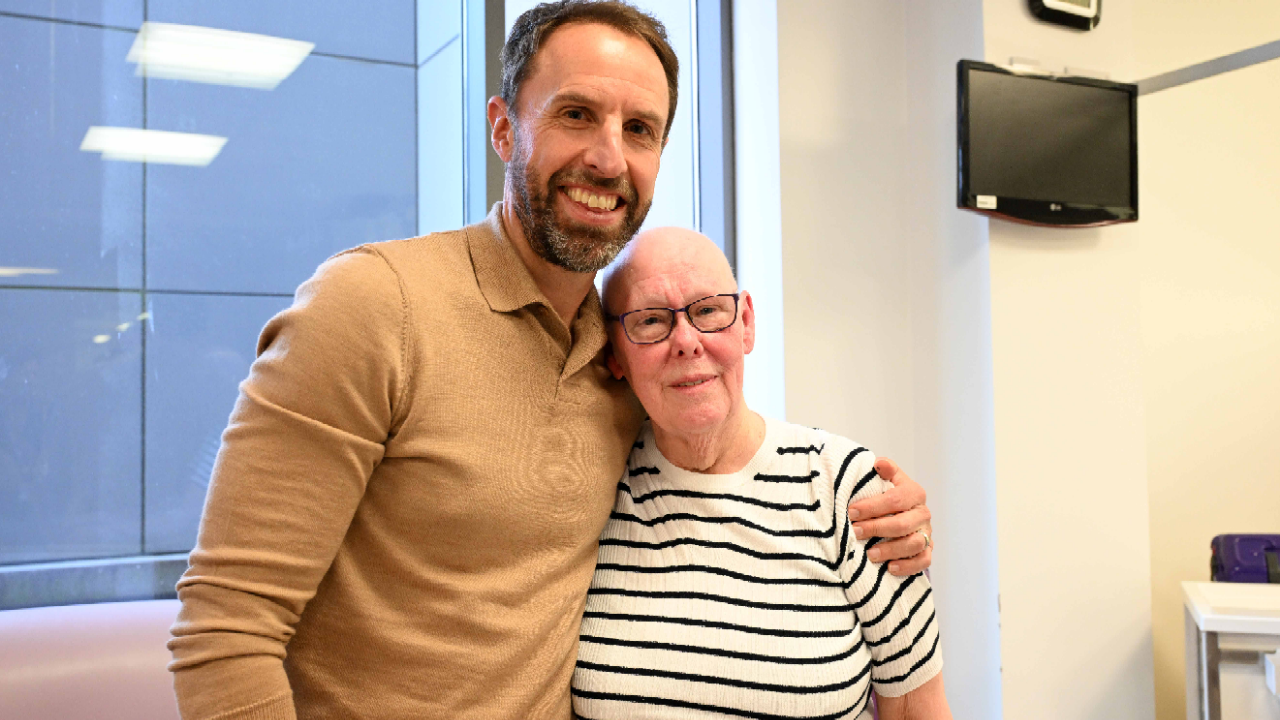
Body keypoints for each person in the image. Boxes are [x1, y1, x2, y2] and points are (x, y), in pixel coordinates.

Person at [167, 2, 935, 719]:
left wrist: (884, 509)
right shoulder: (373, 305)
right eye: (576, 115)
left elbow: (719, 440)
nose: (608, 157)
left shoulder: (619, 353)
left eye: (640, 129)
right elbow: (226, 627)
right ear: (504, 128)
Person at [573, 227, 950, 719]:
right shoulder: (589, 493)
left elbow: (914, 710)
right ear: (614, 356)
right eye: (650, 321)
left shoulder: (846, 489)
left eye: (708, 310)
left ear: (745, 323)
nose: (686, 341)